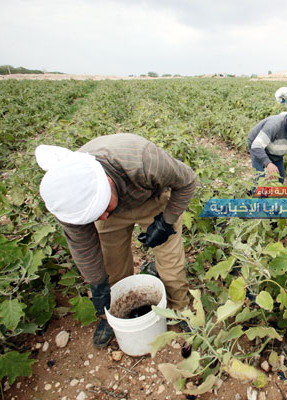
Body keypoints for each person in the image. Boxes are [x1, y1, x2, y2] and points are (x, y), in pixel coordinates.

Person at [35, 133, 197, 347]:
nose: (101, 218)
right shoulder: (70, 203)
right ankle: (113, 317)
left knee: (170, 261)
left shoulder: (146, 161)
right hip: (111, 204)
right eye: (94, 216)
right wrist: (97, 283)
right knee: (111, 263)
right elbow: (83, 246)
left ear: (108, 182)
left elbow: (187, 182)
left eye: (102, 209)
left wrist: (166, 222)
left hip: (150, 198)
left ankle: (180, 308)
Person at [248, 102, 287, 184]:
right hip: (258, 146)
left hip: (275, 150)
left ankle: (274, 195)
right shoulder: (274, 125)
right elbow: (256, 146)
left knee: (280, 178)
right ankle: (255, 194)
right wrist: (268, 163)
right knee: (260, 179)